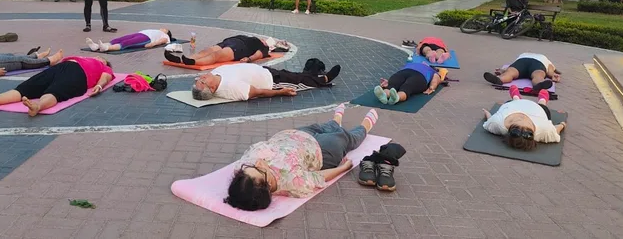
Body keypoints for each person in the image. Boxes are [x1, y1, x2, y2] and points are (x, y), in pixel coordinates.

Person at [224, 104, 378, 210]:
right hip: (320, 150)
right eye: (259, 169)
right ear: (268, 187)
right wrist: (343, 168)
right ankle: (365, 126)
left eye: (250, 168)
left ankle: (336, 120)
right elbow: (318, 177)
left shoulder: (243, 172)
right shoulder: (292, 183)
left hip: (296, 134)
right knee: (345, 137)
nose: (258, 162)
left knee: (324, 126)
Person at [0, 56, 114, 116]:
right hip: (61, 68)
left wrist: (100, 86)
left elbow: (106, 77)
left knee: (56, 91)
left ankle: (38, 106)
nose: (98, 57)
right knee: (26, 87)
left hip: (80, 75)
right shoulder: (81, 58)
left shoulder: (103, 67)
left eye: (102, 59)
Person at [191, 62, 341, 101]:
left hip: (265, 71)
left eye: (199, 79)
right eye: (202, 81)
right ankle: (323, 80)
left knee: (295, 75)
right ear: (211, 88)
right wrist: (280, 92)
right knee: (300, 81)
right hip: (271, 82)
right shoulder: (231, 88)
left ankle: (315, 75)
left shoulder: (214, 75)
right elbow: (258, 93)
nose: (202, 77)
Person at [483, 86, 566, 150]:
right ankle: (543, 100)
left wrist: (488, 114)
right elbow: (555, 131)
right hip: (537, 109)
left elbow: (489, 121)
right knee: (544, 108)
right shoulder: (544, 131)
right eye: (527, 124)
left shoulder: (497, 124)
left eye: (516, 121)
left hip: (514, 105)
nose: (522, 117)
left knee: (511, 102)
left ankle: (516, 96)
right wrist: (562, 125)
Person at [165, 35, 286, 66]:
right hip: (229, 42)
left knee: (216, 55)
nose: (264, 40)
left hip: (240, 48)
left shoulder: (264, 48)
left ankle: (193, 62)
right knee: (207, 51)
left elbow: (258, 55)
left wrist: (249, 59)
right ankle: (182, 60)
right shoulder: (253, 38)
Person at [373, 62, 448, 105]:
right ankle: (386, 95)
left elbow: (436, 79)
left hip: (410, 74)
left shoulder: (413, 64)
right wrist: (432, 87)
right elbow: (436, 79)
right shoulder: (432, 71)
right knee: (403, 86)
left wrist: (432, 87)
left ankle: (391, 96)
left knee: (401, 85)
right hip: (416, 75)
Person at [483, 52, 559, 91]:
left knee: (510, 72)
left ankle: (500, 79)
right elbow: (550, 70)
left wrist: (503, 71)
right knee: (538, 75)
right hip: (538, 64)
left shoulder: (524, 54)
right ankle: (538, 84)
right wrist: (553, 75)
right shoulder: (548, 61)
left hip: (522, 61)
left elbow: (511, 67)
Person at [86, 28, 173, 52]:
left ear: (168, 32)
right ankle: (96, 46)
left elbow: (162, 41)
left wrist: (152, 44)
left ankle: (107, 48)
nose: (163, 28)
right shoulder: (157, 30)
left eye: (165, 29)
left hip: (146, 39)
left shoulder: (166, 36)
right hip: (140, 33)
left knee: (127, 43)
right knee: (119, 39)